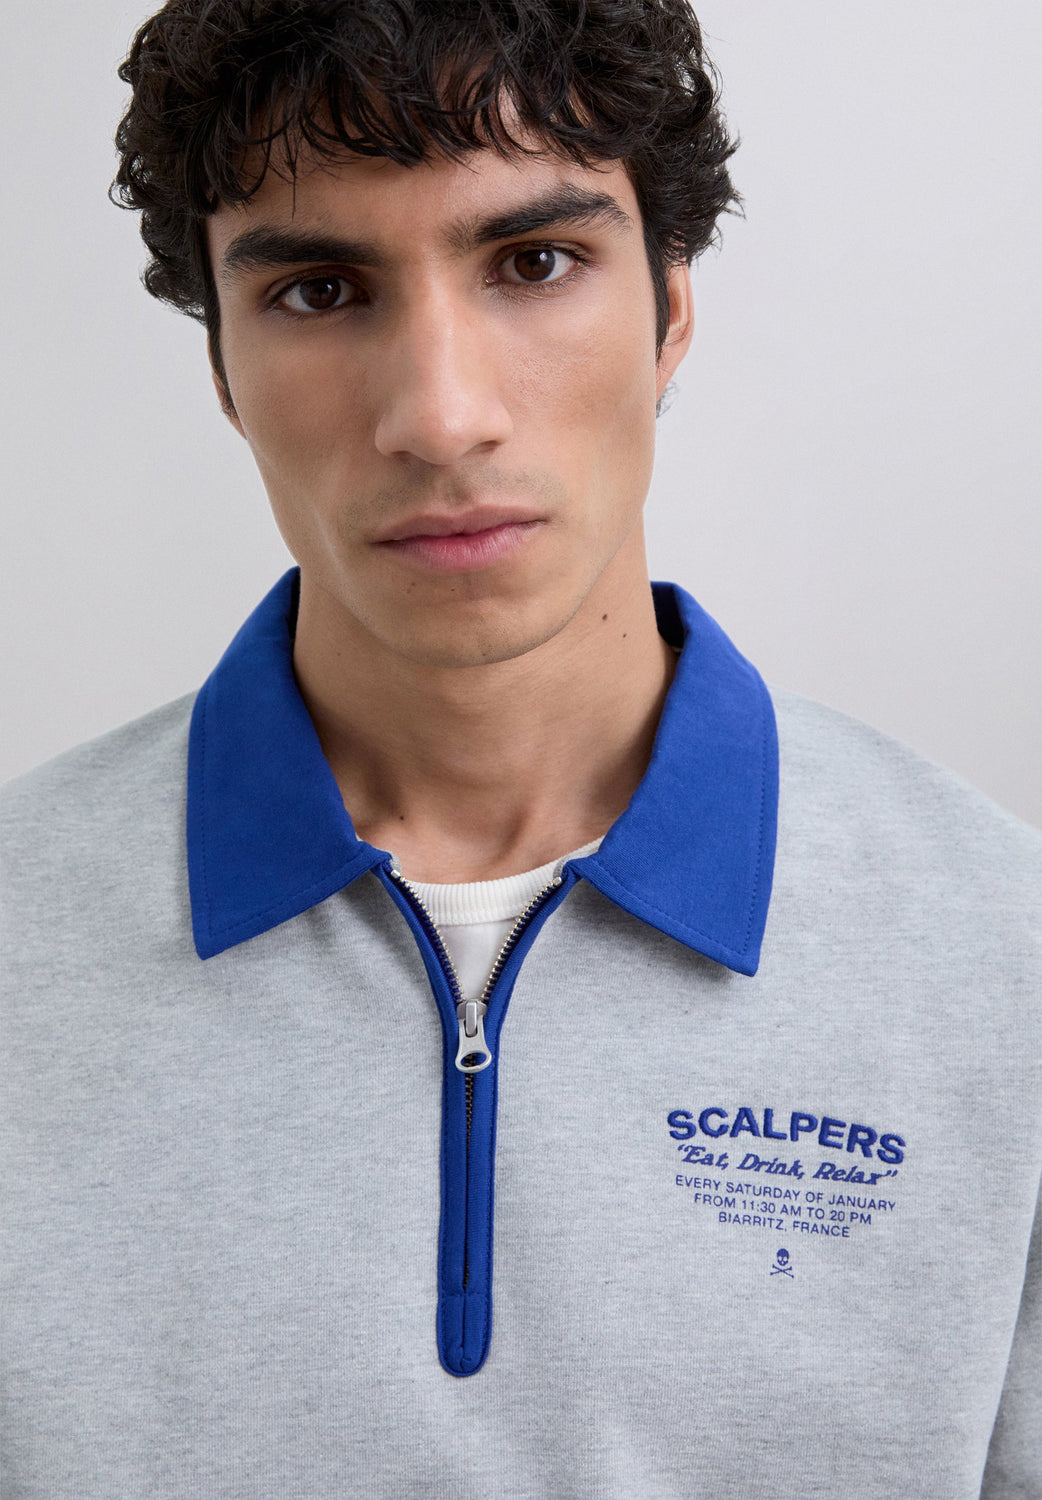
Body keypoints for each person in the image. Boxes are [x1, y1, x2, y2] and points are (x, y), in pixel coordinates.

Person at [1, 1, 1038, 1495]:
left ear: (670, 310)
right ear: (223, 370)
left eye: (535, 263)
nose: (440, 416)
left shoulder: (1008, 958)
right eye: (316, 291)